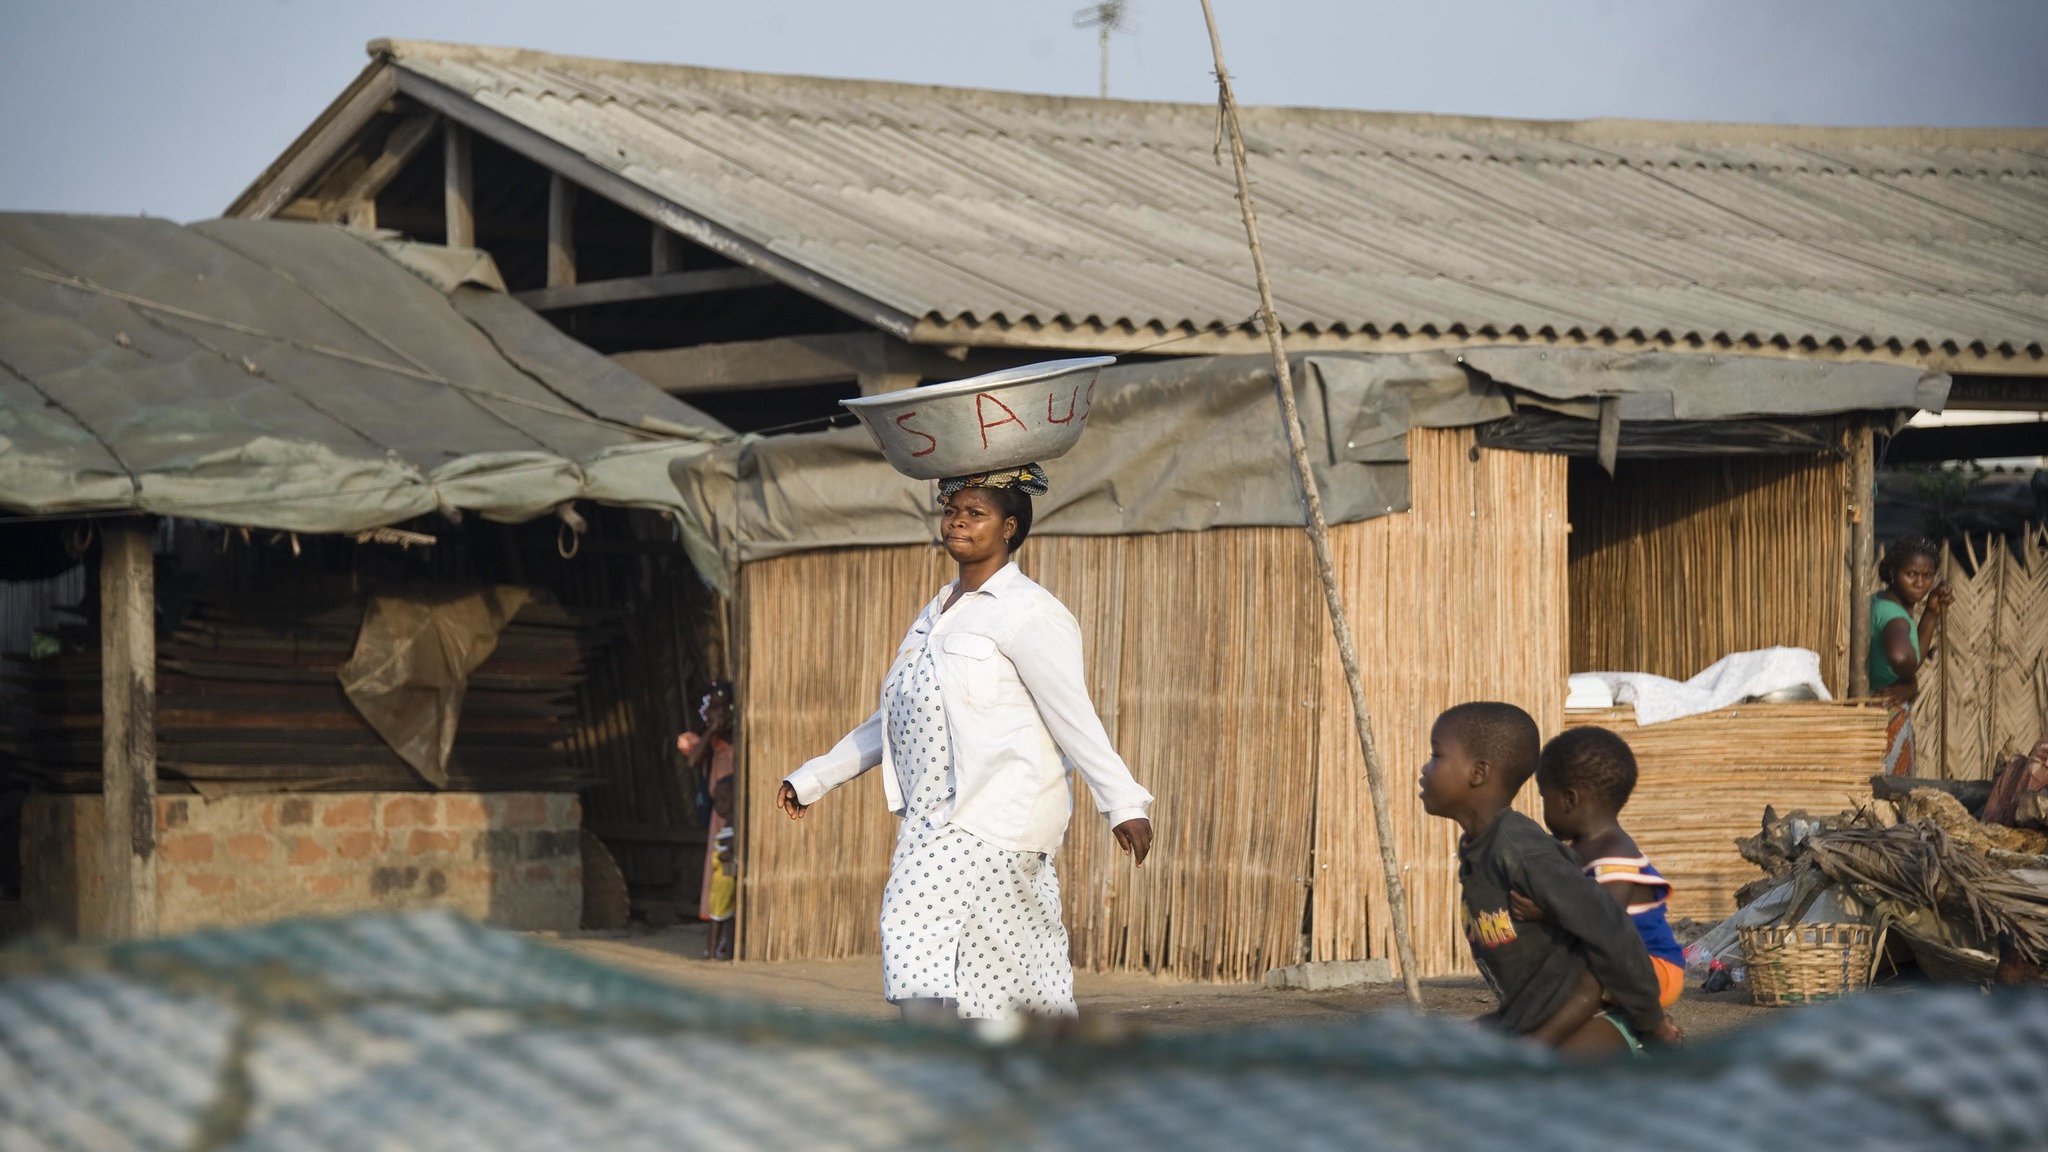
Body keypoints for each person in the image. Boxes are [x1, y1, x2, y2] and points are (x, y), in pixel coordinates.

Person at [775, 464, 1154, 1023]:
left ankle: (935, 1068)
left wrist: (1122, 803)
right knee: (1008, 976)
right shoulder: (937, 611)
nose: (957, 523)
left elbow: (1073, 713)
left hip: (994, 812)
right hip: (933, 818)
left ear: (1009, 528)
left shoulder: (1029, 612)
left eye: (975, 514)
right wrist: (815, 777)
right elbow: (898, 715)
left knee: (912, 920)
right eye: (952, 512)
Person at [1418, 702, 1681, 1057]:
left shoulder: (1524, 852)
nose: (1424, 768)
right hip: (1539, 1017)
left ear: (1478, 773)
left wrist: (1653, 1028)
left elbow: (1613, 933)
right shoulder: (1480, 851)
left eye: (1436, 755)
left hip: (1599, 1018)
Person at [1510, 727, 1686, 1009]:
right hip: (1621, 962)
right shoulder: (1578, 850)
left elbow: (1602, 922)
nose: (1543, 807)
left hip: (1654, 969)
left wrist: (1545, 913)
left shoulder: (1613, 855)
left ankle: (1648, 1029)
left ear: (1570, 800)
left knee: (1569, 980)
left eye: (1545, 797)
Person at [1869, 538, 1951, 776]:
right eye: (1911, 574)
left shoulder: (1880, 601)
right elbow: (1903, 657)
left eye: (1927, 576)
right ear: (1894, 572)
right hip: (1887, 716)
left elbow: (1911, 658)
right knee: (1892, 798)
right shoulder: (1896, 618)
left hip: (1876, 711)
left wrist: (1932, 611)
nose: (1920, 583)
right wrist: (1910, 682)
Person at [677, 681, 735, 940]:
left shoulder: (738, 739)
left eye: (723, 709)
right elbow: (691, 761)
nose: (719, 715)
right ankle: (718, 935)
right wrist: (711, 731)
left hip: (743, 814)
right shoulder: (709, 744)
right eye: (713, 710)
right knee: (718, 874)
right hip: (720, 817)